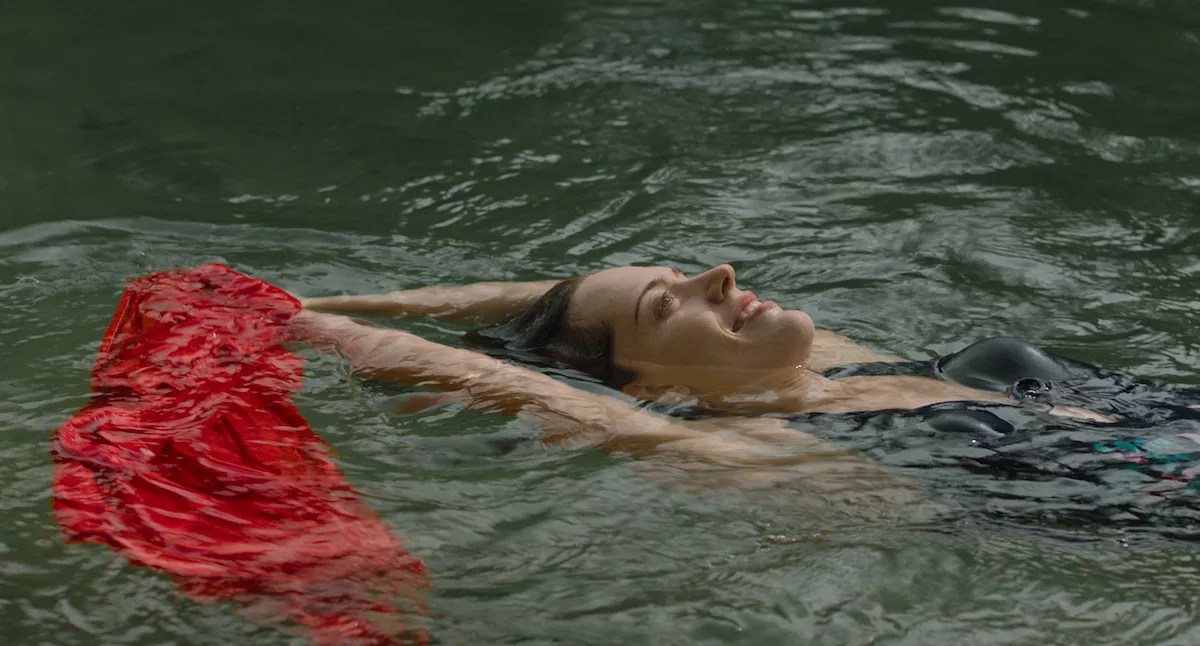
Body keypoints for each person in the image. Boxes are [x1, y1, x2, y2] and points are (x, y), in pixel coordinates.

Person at [299, 263, 1200, 532]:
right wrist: (325, 331)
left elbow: (531, 300)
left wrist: (346, 297)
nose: (720, 275)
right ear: (654, 384)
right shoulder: (775, 450)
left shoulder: (841, 369)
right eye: (671, 304)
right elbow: (536, 389)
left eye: (687, 272)